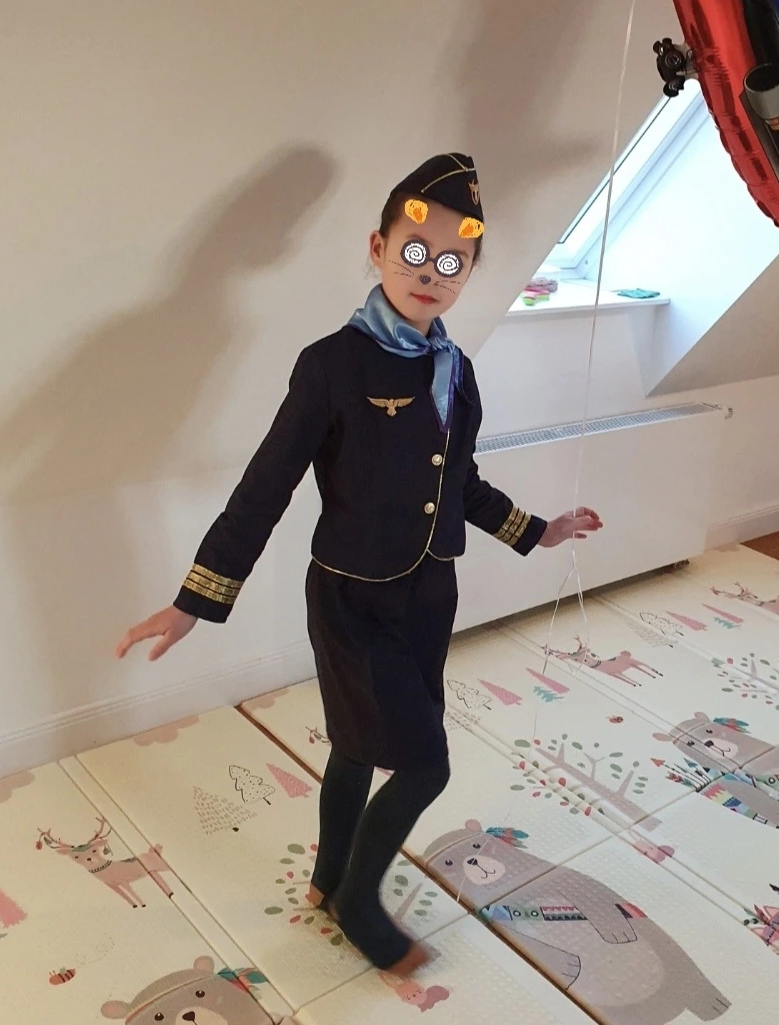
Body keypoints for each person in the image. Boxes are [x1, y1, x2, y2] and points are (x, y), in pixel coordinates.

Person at [116, 153, 603, 975]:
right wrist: (196, 597)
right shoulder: (330, 364)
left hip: (429, 594)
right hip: (352, 600)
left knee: (353, 745)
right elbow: (264, 486)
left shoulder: (456, 369)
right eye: (415, 251)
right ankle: (358, 902)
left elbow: (461, 482)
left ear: (469, 273)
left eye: (453, 261)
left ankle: (327, 875)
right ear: (378, 249)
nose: (431, 272)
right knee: (423, 763)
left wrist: (538, 531)